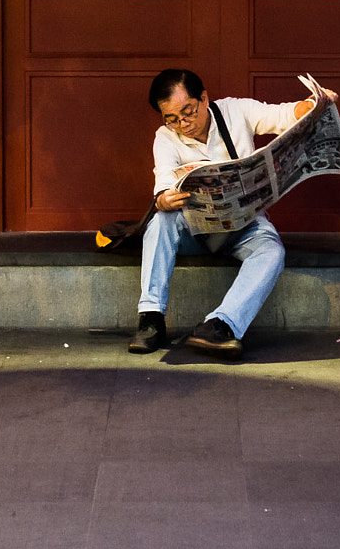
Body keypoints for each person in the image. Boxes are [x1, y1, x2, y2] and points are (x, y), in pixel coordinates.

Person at [129, 69, 328, 361]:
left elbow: (283, 116)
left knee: (271, 250)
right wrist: (166, 199)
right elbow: (163, 181)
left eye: (188, 112)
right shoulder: (166, 137)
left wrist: (313, 104)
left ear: (204, 98)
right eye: (172, 118)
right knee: (160, 222)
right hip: (196, 230)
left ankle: (220, 325)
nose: (183, 124)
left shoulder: (237, 111)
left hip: (244, 226)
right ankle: (150, 319)